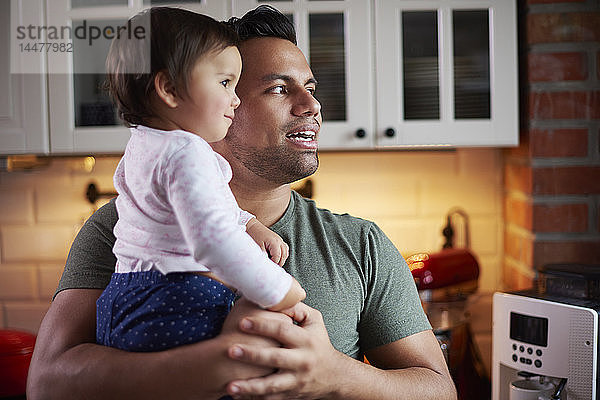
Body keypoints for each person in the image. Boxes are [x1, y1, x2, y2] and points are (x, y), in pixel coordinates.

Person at [27, 5, 457, 400]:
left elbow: (439, 391)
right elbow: (47, 383)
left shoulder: (359, 243)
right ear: (212, 102)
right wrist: (225, 361)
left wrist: (336, 374)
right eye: (277, 89)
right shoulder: (122, 227)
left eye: (309, 87)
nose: (312, 106)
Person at [95, 7, 305, 354]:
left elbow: (193, 208)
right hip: (175, 299)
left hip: (127, 295)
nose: (234, 99)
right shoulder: (187, 151)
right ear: (169, 88)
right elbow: (213, 241)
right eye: (225, 82)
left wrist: (249, 224)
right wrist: (279, 289)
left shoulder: (143, 147)